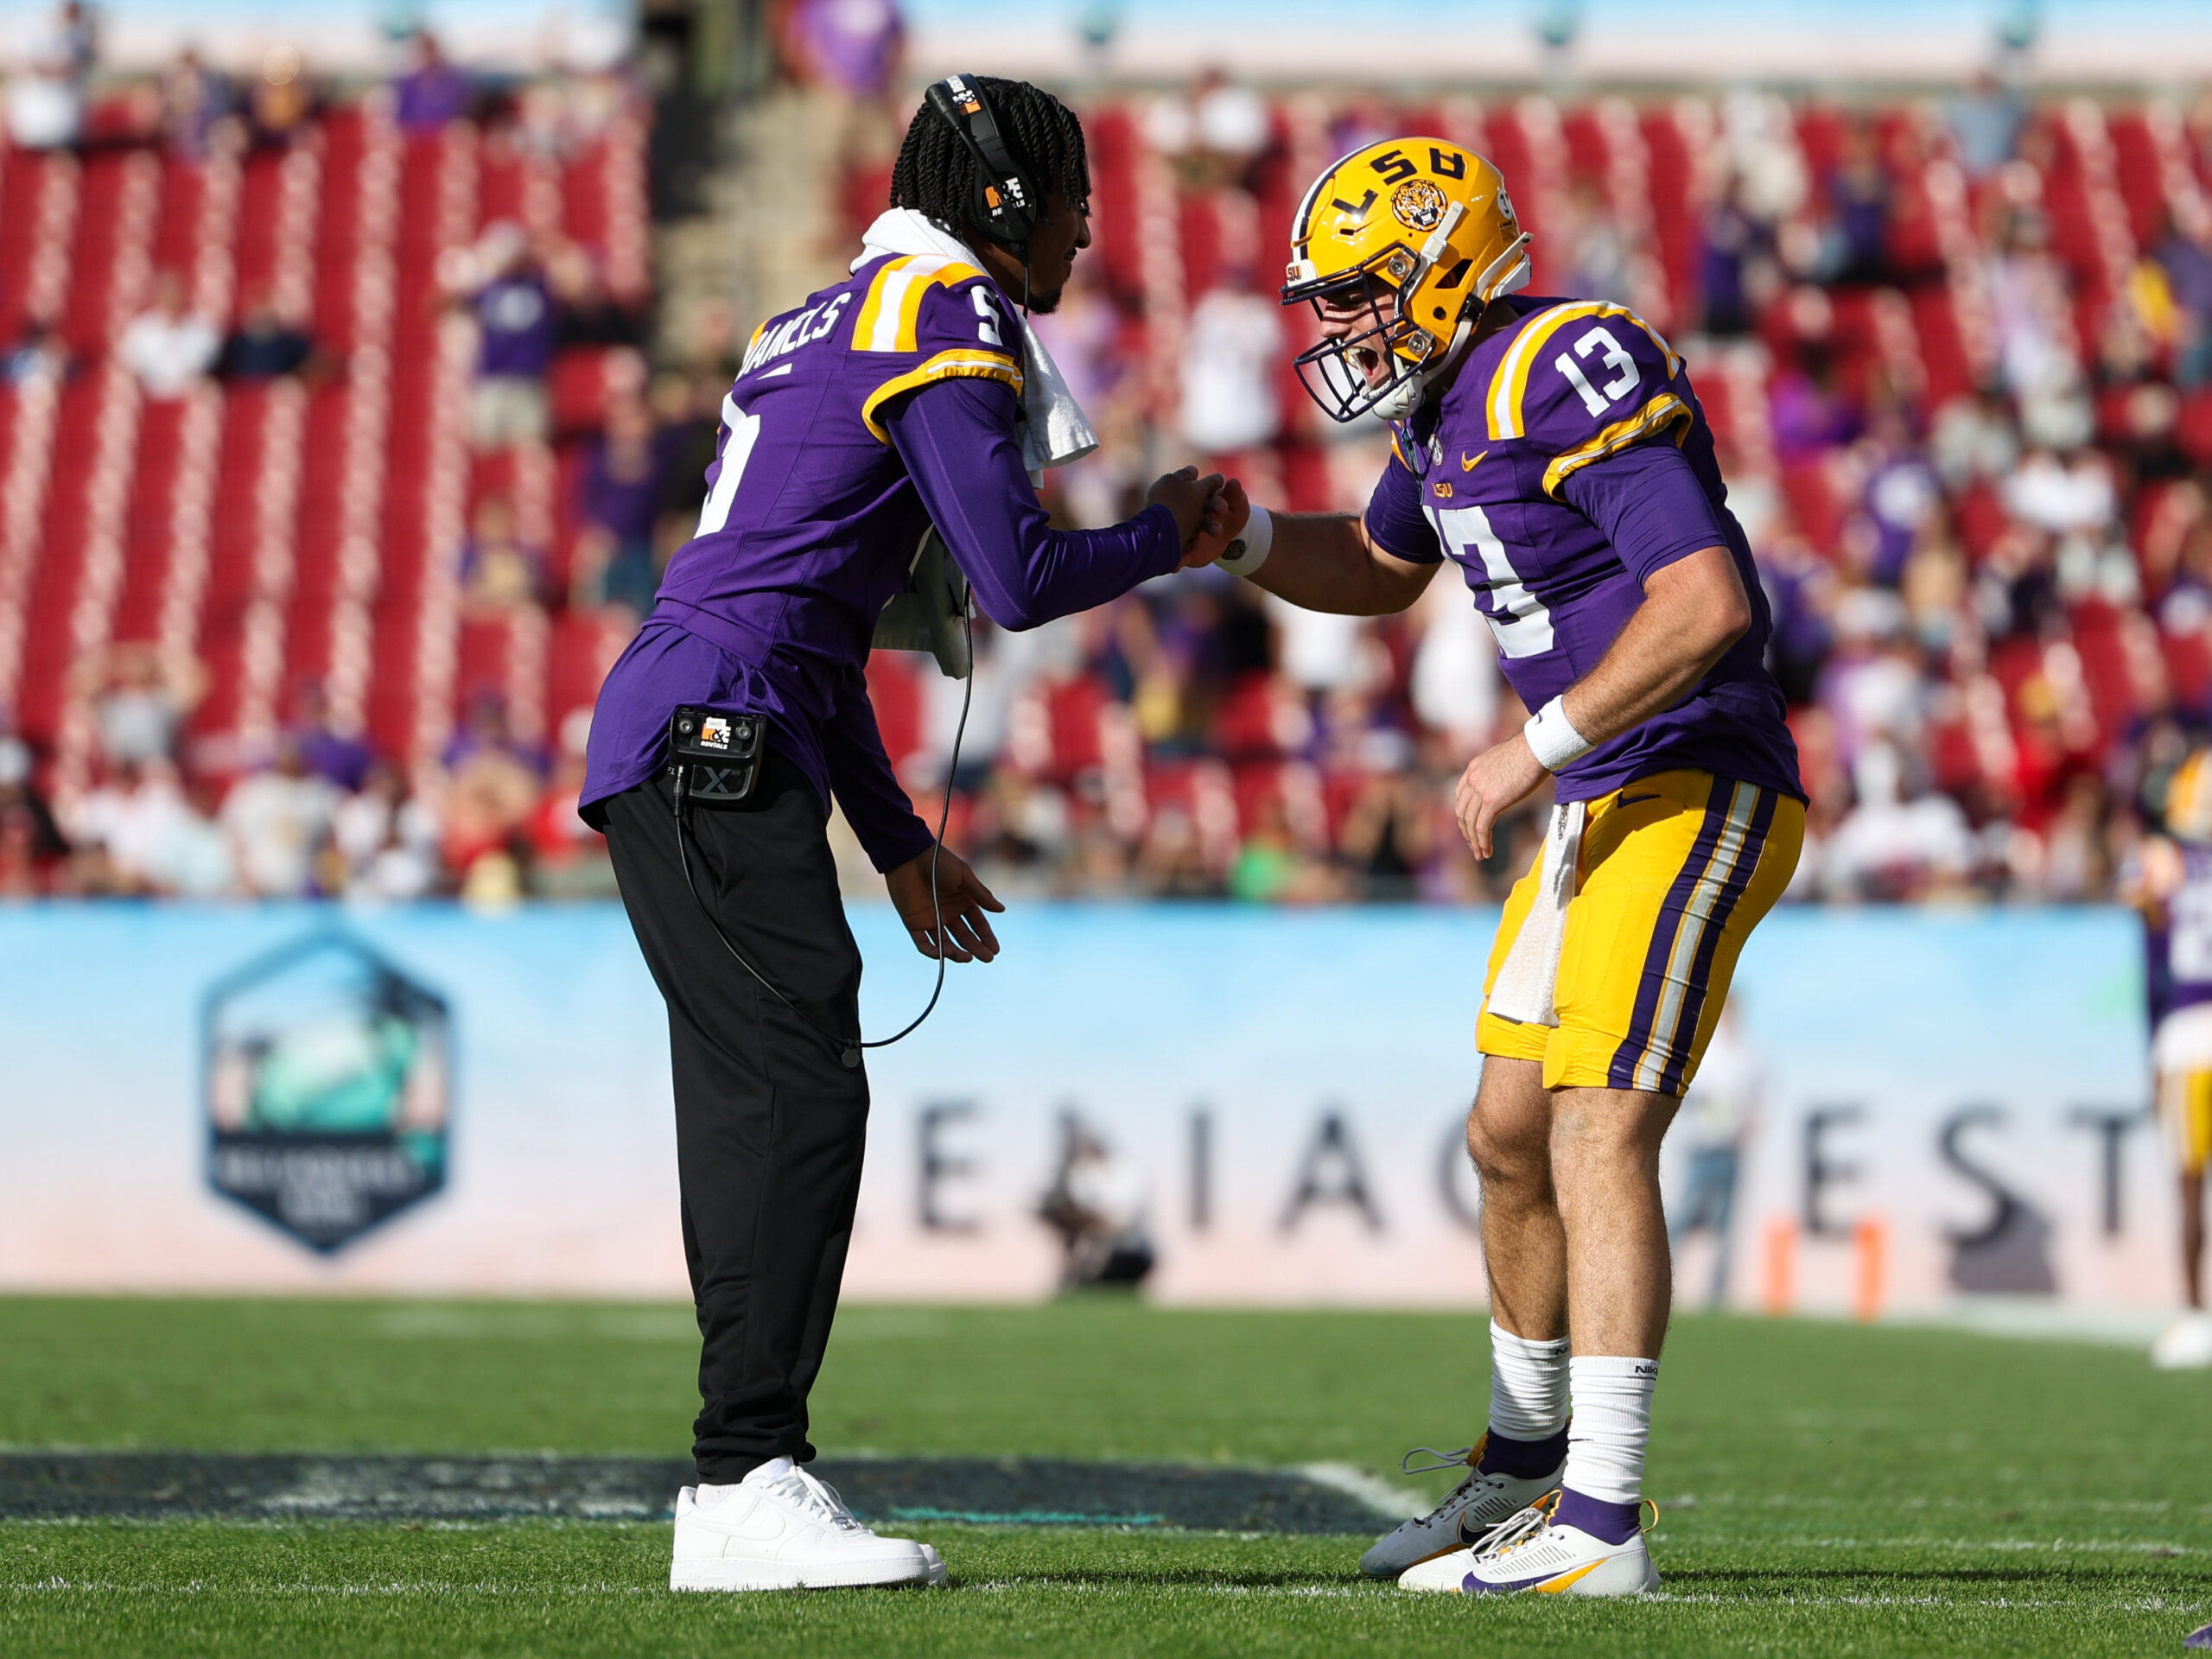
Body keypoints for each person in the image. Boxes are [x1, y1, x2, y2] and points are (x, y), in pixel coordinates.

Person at [578, 74, 1231, 1593]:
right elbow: (1008, 581)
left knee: (770, 1093)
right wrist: (1170, 534)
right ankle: (744, 1478)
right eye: (1068, 190)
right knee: (797, 1091)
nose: (1086, 220)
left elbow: (815, 627)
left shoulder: (824, 314)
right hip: (717, 731)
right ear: (1001, 202)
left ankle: (739, 1475)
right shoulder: (953, 315)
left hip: (705, 718)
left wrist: (893, 838)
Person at [1203, 137, 1803, 1596]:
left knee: (1599, 1124)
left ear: (1439, 265)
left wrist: (1534, 741)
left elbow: (1708, 598)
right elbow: (1384, 566)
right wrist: (1246, 535)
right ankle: (1520, 1474)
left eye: (1353, 293)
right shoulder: (1440, 413)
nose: (1333, 326)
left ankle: (1602, 1524)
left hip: (1687, 777)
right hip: (1600, 794)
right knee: (1506, 1131)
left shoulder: (1560, 363)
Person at [2132, 753, 2212, 1369]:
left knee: (2189, 1185)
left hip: (2188, 1033)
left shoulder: (2161, 861)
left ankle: (2194, 1314)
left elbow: (2153, 957)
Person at [1665, 995, 1761, 1308]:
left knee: (1725, 1224)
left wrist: (1747, 1124)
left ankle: (1716, 1294)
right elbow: (1693, 1095)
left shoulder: (1747, 1054)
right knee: (1685, 1217)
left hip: (1730, 1150)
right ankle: (1665, 1282)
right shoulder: (1706, 1052)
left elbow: (1755, 1100)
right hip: (1701, 1147)